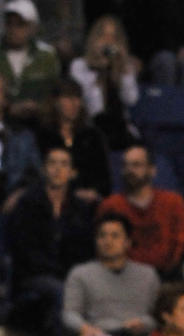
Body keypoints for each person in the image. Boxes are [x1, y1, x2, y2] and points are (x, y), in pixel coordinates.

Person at [6, 142, 95, 336]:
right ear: (44, 169)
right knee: (61, 292)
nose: (57, 169)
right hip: (32, 278)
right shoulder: (27, 204)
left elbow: (84, 251)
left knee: (70, 292)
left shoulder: (80, 209)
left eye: (63, 164)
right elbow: (23, 251)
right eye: (52, 163)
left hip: (67, 279)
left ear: (72, 172)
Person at [97, 143, 184, 276]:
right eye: (126, 165)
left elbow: (183, 242)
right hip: (121, 277)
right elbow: (102, 246)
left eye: (136, 165)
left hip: (168, 277)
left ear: (152, 170)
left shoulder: (173, 203)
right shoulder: (111, 205)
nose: (130, 170)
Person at [67, 12, 138, 149]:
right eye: (104, 36)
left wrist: (120, 70)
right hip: (90, 126)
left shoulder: (125, 66)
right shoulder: (79, 65)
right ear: (94, 39)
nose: (108, 42)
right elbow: (88, 102)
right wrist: (99, 70)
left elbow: (131, 99)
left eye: (113, 37)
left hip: (120, 128)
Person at [35, 75, 111, 200]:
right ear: (55, 102)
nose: (75, 103)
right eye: (69, 98)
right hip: (50, 198)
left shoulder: (92, 136)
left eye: (78, 98)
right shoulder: (42, 135)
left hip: (87, 199)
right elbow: (39, 173)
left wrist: (93, 192)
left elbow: (104, 178)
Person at [0, 0, 59, 126]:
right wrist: (10, 107)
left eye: (20, 24)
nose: (13, 29)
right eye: (9, 23)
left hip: (41, 123)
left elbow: (55, 91)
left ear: (32, 27)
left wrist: (39, 107)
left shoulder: (46, 56)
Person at [0, 53, 40, 206]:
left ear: (5, 99)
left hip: (15, 207)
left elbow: (36, 175)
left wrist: (19, 194)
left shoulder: (23, 136)